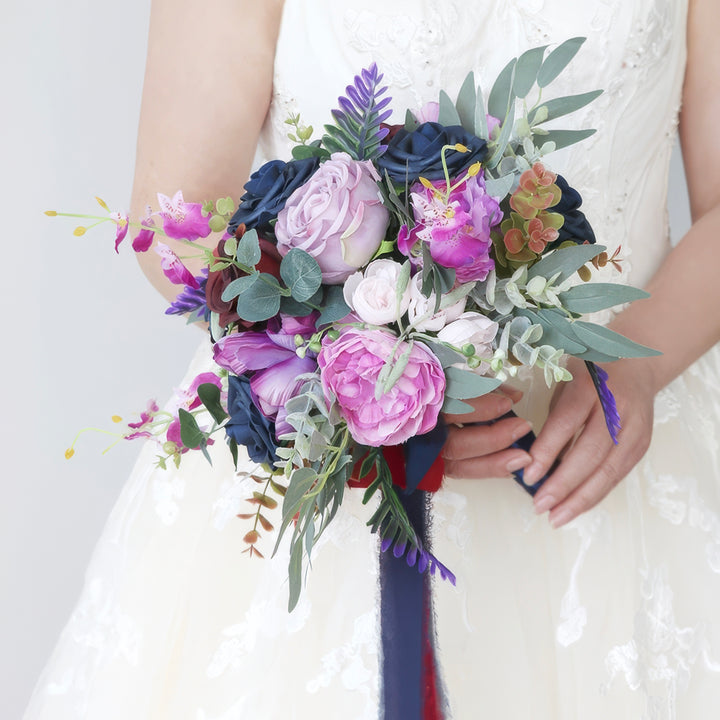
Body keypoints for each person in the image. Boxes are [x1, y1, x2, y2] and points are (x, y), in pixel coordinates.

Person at [25, 0, 720, 717]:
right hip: (331, 471)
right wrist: (370, 384)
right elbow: (178, 217)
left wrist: (637, 364)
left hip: (617, 451)